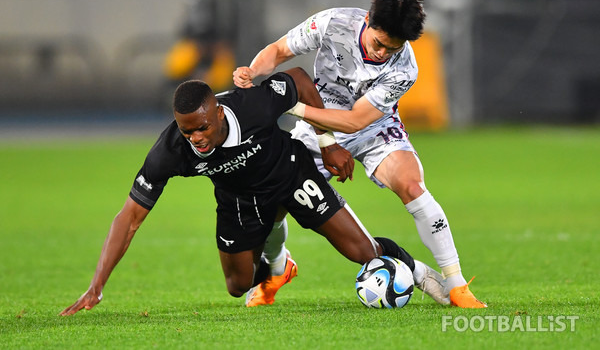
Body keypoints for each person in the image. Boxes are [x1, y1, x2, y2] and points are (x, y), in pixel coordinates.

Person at [60, 68, 447, 316]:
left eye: (202, 128)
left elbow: (298, 79)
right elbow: (129, 219)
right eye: (186, 130)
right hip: (238, 200)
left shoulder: (254, 106)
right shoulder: (170, 151)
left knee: (363, 254)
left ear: (217, 112)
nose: (195, 138)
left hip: (292, 176)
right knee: (237, 286)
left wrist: (327, 143)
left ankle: (422, 273)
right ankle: (279, 264)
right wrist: (96, 288)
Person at [233, 0, 487, 308]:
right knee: (270, 206)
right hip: (319, 128)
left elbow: (355, 121)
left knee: (412, 185)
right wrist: (253, 71)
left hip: (373, 128)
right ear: (367, 21)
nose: (382, 53)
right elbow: (279, 50)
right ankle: (278, 269)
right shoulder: (332, 23)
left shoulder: (405, 68)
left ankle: (456, 285)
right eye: (379, 43)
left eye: (392, 49)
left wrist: (288, 105)